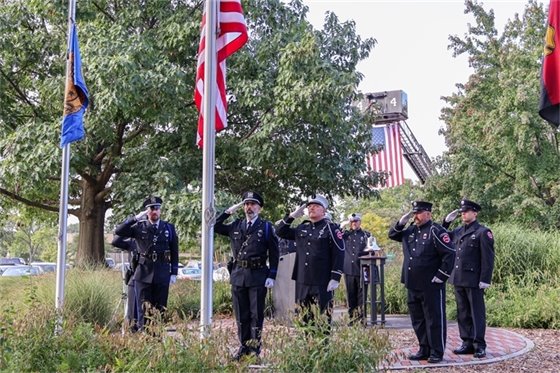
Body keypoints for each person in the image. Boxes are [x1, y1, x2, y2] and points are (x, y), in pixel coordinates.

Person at [388, 201, 456, 364]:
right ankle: (423, 348)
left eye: (419, 213)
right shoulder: (410, 231)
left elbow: (450, 253)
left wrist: (441, 275)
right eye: (414, 213)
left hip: (431, 284)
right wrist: (400, 223)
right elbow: (392, 235)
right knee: (418, 319)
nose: (415, 216)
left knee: (434, 319)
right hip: (412, 283)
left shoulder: (436, 231)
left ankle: (436, 352)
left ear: (428, 214)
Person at [214, 191, 279, 361]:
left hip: (258, 275)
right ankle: (243, 347)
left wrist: (272, 274)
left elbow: (274, 252)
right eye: (246, 204)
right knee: (241, 314)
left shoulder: (266, 227)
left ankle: (255, 350)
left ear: (260, 208)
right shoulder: (235, 225)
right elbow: (215, 225)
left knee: (256, 315)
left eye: (253, 204)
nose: (249, 207)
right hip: (238, 275)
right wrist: (228, 211)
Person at [276, 194, 345, 328]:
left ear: (324, 210)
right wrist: (291, 216)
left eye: (316, 206)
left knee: (323, 318)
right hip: (302, 280)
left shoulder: (332, 228)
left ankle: (323, 348)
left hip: (322, 281)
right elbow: (280, 232)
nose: (311, 208)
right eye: (309, 206)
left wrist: (335, 277)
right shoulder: (302, 228)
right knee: (304, 317)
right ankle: (308, 347)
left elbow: (339, 253)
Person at [114, 196, 179, 330]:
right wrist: (135, 218)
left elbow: (174, 251)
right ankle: (145, 339)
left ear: (160, 210)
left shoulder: (169, 228)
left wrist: (174, 272)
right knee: (143, 309)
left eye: (157, 208)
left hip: (162, 272)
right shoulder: (139, 227)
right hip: (143, 273)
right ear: (147, 211)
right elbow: (119, 231)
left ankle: (157, 338)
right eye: (151, 209)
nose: (155, 211)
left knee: (160, 309)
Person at [443, 199, 495, 359]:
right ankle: (467, 343)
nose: (463, 214)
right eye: (462, 212)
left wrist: (485, 279)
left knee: (476, 313)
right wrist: (446, 222)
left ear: (475, 213)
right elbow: (443, 237)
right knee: (463, 312)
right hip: (458, 278)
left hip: (474, 279)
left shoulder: (483, 232)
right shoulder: (458, 231)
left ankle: (479, 345)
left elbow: (488, 258)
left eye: (466, 211)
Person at [341, 213, 372, 322]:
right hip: (349, 268)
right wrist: (342, 225)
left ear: (360, 222)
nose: (354, 223)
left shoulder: (366, 235)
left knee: (362, 295)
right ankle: (352, 318)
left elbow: (371, 249)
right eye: (352, 222)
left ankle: (361, 318)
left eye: (356, 221)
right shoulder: (345, 234)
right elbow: (336, 236)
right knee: (351, 294)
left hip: (363, 268)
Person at [111, 235, 139, 331]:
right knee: (133, 312)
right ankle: (133, 332)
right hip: (135, 278)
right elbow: (115, 241)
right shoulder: (132, 241)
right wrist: (127, 229)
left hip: (150, 279)